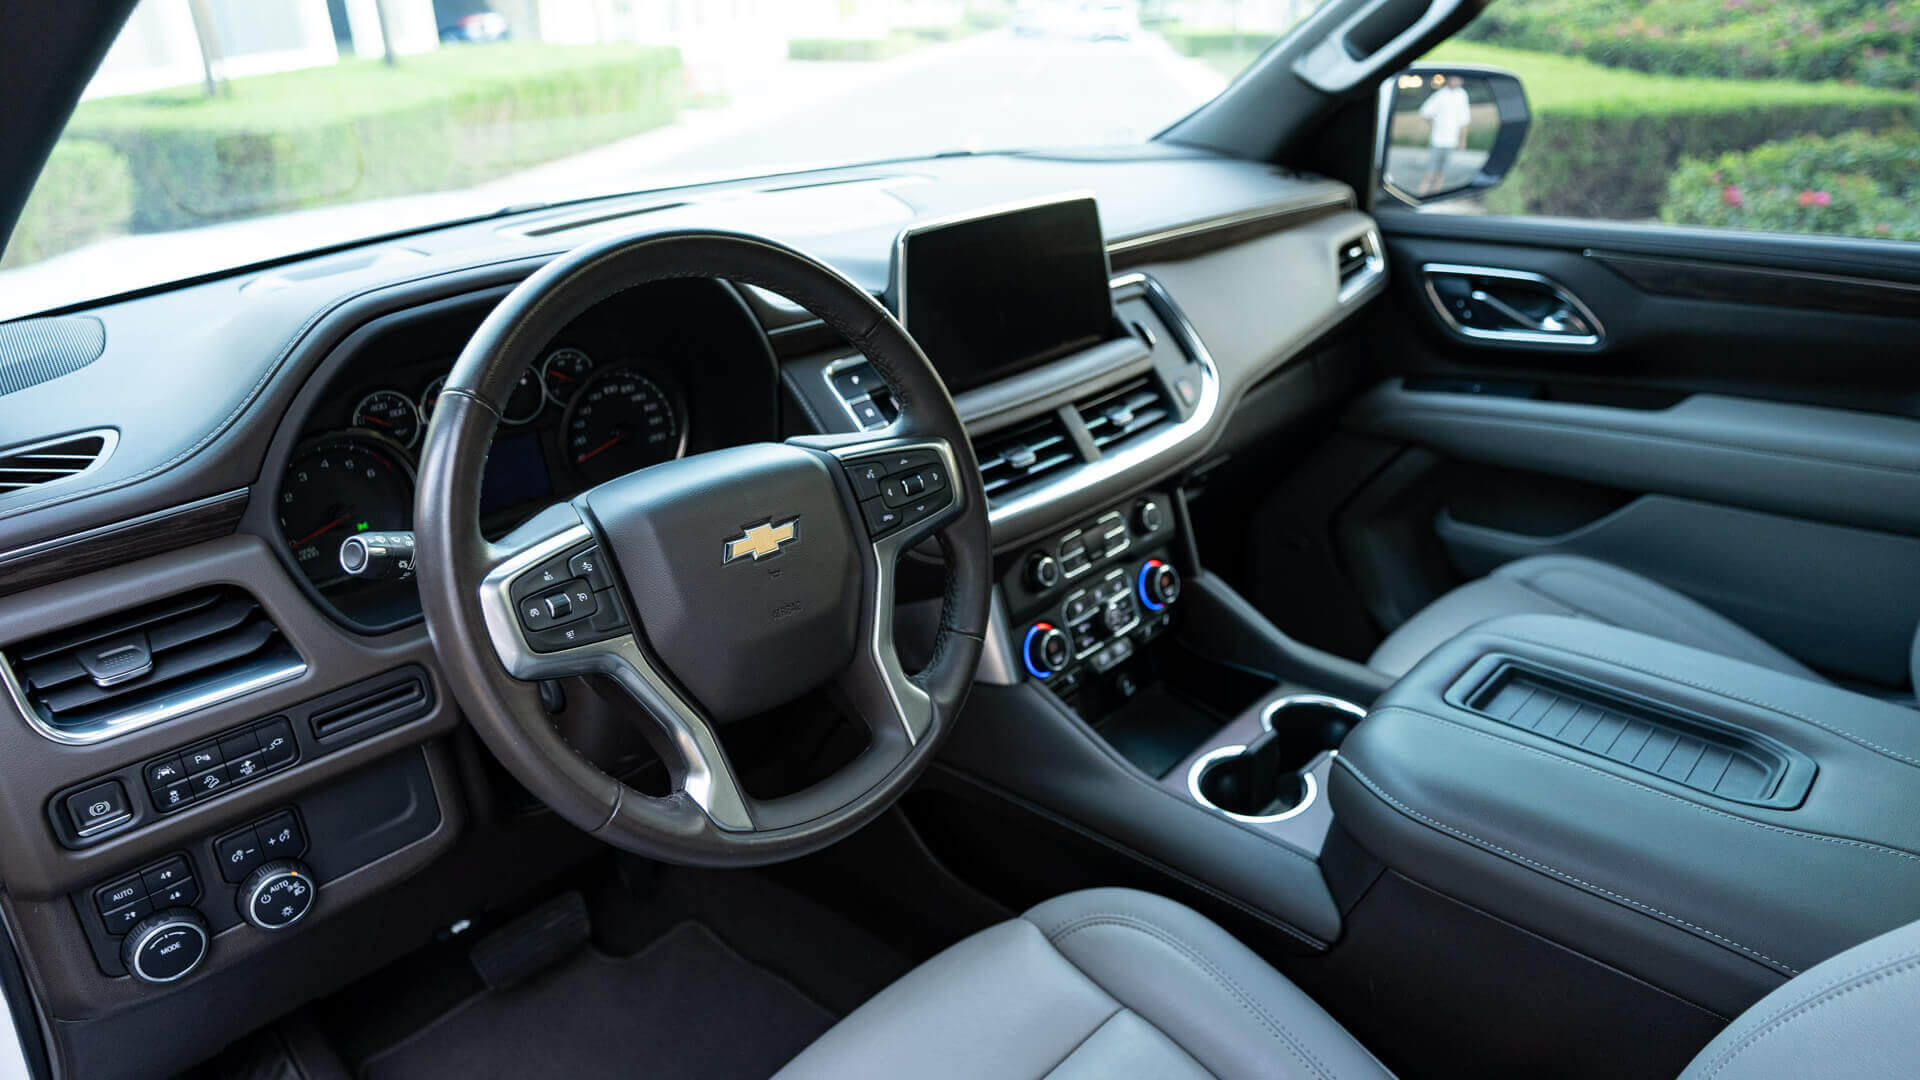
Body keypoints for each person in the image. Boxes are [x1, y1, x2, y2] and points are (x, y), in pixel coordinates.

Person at [1417, 75, 1472, 195]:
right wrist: (1434, 126)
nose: (1457, 81)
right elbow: (1424, 112)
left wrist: (1462, 140)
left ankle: (1434, 196)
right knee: (1430, 172)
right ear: (1449, 79)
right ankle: (1421, 195)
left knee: (1441, 173)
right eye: (1455, 78)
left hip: (1451, 141)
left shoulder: (1462, 95)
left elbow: (1464, 120)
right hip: (1437, 140)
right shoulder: (1440, 95)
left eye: (1459, 79)